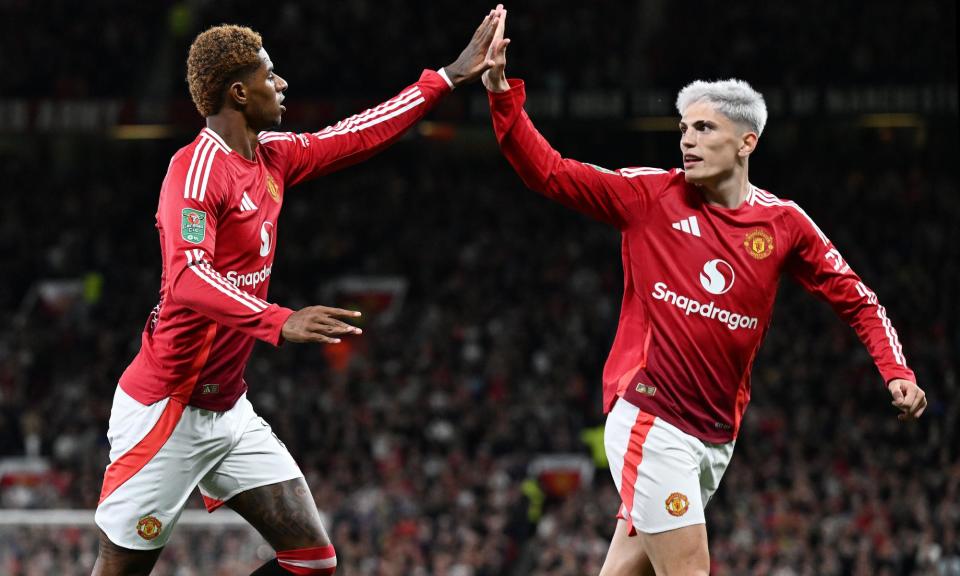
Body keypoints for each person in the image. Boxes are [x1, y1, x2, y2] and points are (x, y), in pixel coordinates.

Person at [481, 10, 927, 576]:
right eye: (684, 129)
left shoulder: (784, 224)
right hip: (651, 418)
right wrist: (500, 93)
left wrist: (897, 372)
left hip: (715, 435)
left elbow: (857, 299)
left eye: (703, 129)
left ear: (747, 142)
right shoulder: (649, 196)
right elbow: (549, 172)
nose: (687, 141)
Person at [93, 11, 503, 576]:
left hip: (228, 410)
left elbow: (356, 134)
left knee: (313, 561)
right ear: (239, 91)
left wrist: (446, 78)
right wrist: (278, 319)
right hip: (167, 408)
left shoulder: (273, 157)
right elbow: (187, 278)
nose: (281, 83)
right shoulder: (194, 171)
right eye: (270, 74)